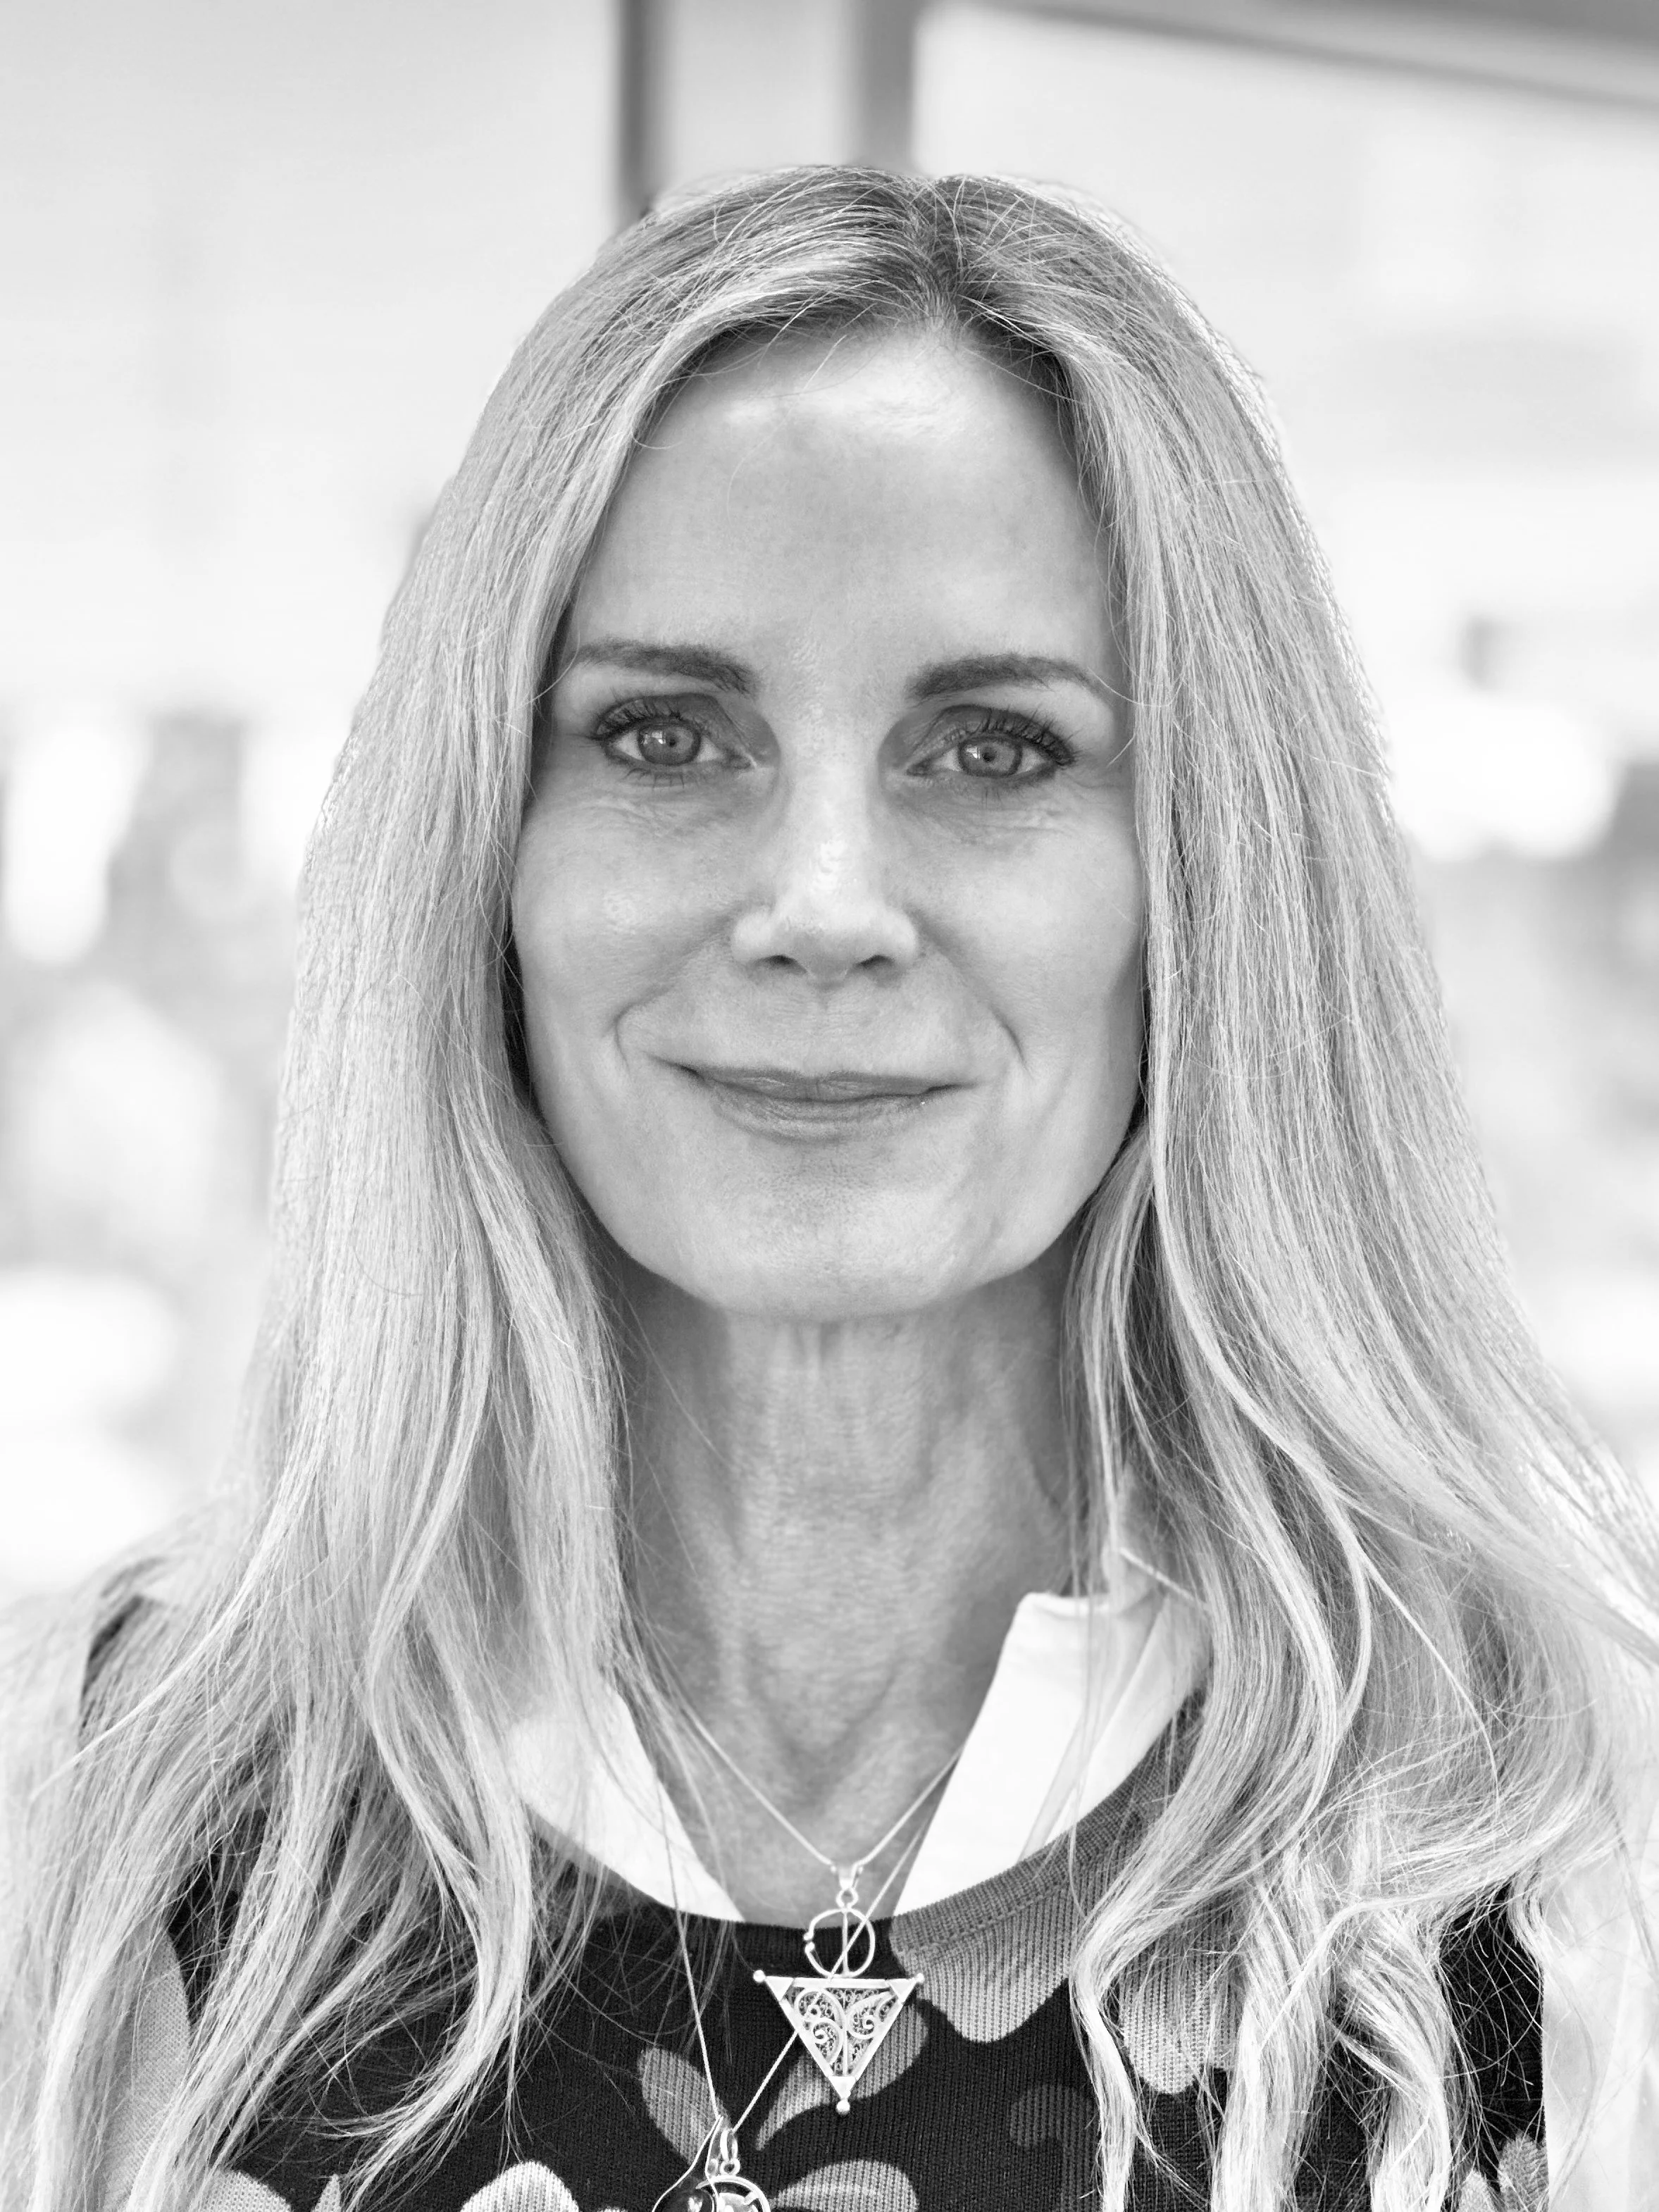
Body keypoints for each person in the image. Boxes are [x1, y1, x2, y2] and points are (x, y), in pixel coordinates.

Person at [2, 164, 1656, 2212]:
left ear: (1202, 885)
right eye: (668, 733)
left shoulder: (1559, 1876)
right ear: (486, 859)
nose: (819, 906)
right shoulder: (80, 1831)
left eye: (991, 750)